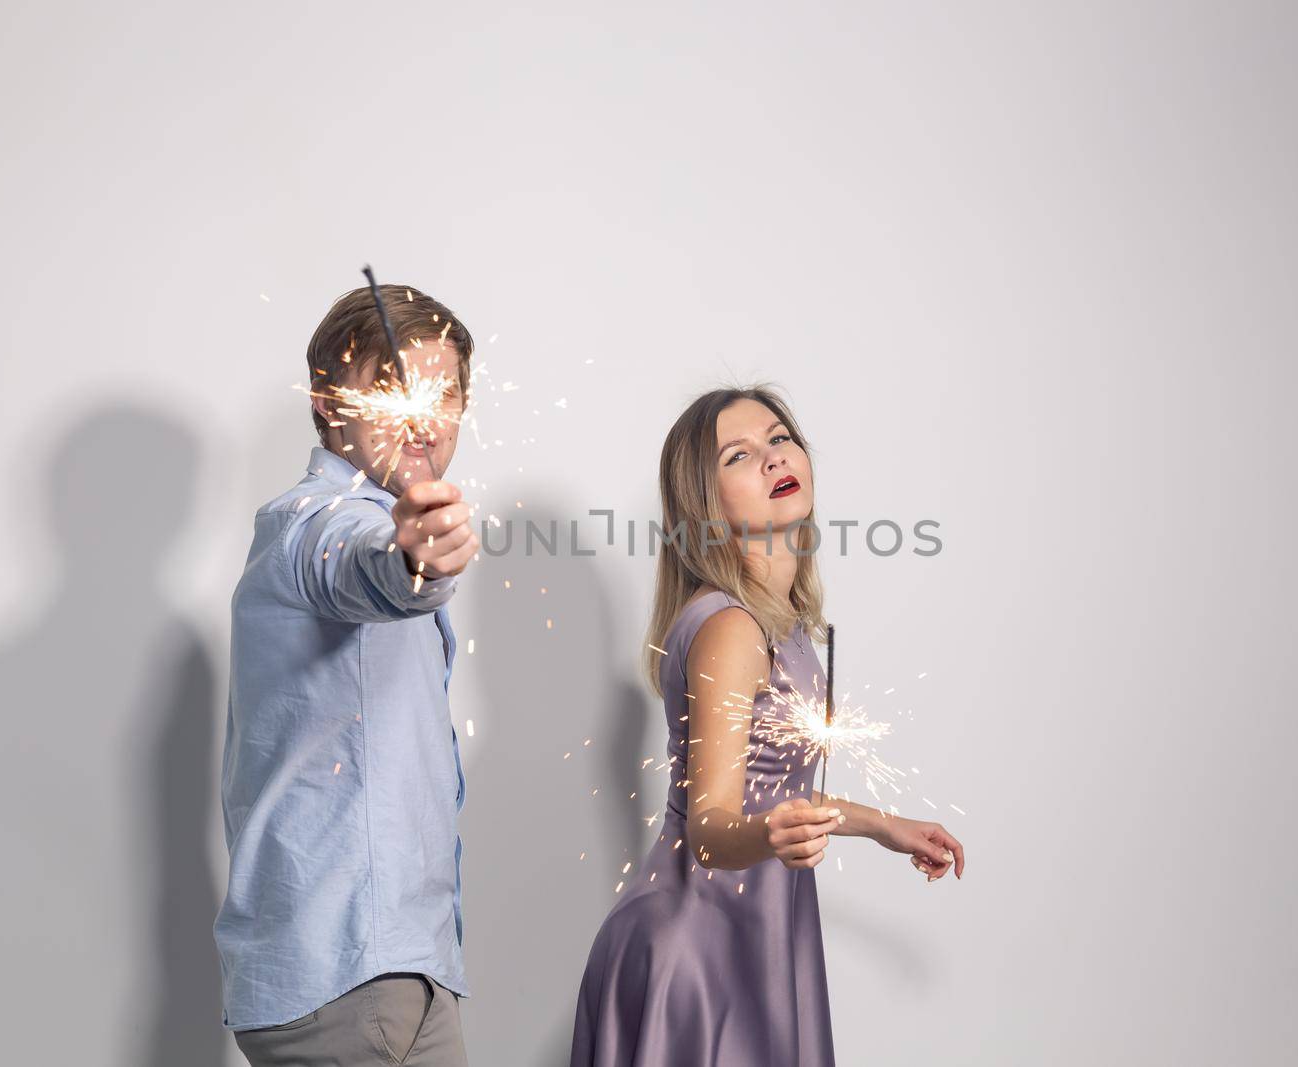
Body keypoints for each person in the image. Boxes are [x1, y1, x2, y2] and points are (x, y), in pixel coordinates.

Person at [570, 386, 966, 1067]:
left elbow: (768, 788)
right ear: (706, 501)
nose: (772, 457)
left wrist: (882, 826)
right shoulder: (732, 628)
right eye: (739, 454)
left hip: (754, 930)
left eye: (780, 438)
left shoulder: (779, 623)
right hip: (697, 951)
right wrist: (771, 835)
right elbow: (711, 826)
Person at [215, 283, 481, 1066]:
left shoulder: (351, 517)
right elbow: (365, 565)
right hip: (348, 975)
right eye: (394, 388)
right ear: (330, 403)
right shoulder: (313, 524)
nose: (425, 418)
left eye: (447, 395)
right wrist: (413, 560)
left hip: (403, 967)